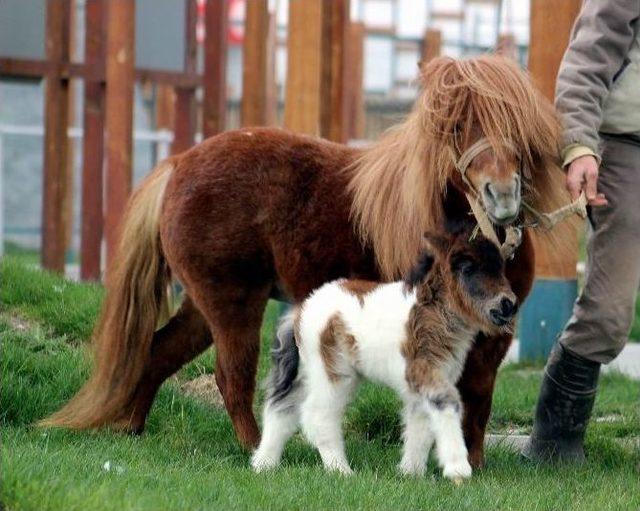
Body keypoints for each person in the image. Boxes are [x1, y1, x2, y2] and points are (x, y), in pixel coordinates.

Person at [523, 0, 640, 462]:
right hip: (628, 147)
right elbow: (587, 60)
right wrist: (579, 146)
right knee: (608, 313)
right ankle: (554, 445)